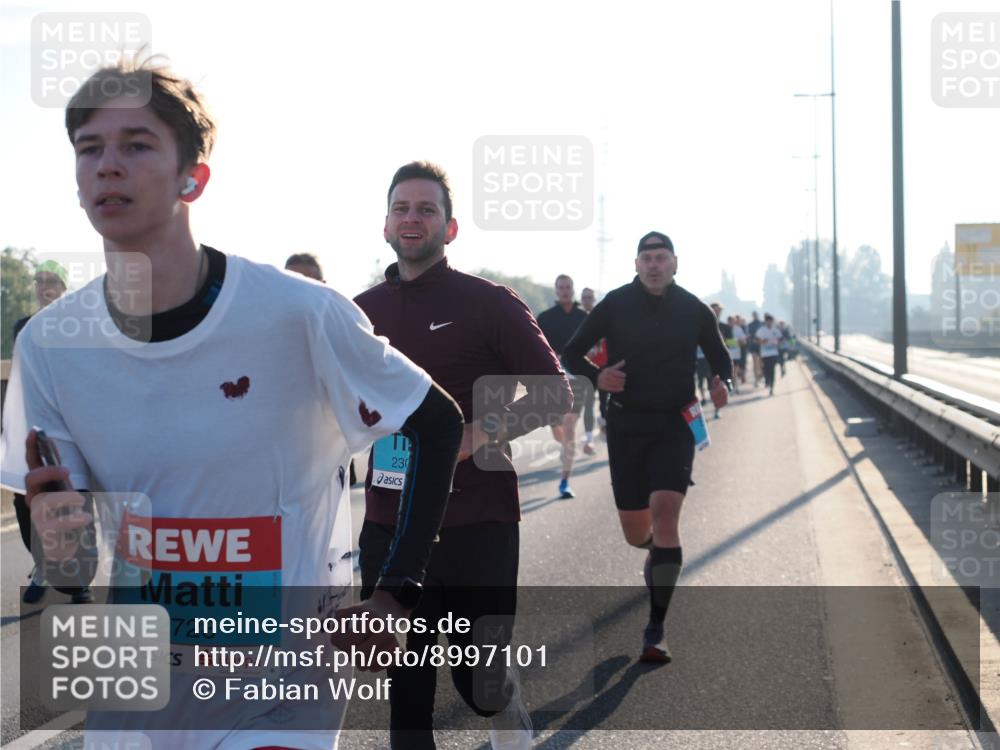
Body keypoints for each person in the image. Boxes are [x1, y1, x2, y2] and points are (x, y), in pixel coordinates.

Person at [0, 58, 464, 750]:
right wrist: (54, 530)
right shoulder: (48, 345)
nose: (107, 166)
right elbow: (67, 557)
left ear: (195, 177)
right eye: (89, 149)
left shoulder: (299, 313)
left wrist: (397, 592)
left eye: (136, 145)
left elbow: (437, 420)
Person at [354, 161, 571, 750]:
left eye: (426, 209)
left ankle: (503, 701)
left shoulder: (489, 303)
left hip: (481, 521)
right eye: (402, 208)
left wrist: (471, 437)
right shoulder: (357, 314)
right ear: (385, 225)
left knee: (481, 684)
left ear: (450, 229)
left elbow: (555, 392)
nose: (412, 218)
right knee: (407, 693)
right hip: (390, 525)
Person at [563, 231, 731, 664]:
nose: (654, 265)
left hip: (675, 423)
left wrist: (720, 382)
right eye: (647, 258)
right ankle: (656, 552)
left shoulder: (693, 309)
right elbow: (570, 352)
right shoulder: (615, 304)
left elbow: (720, 356)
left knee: (667, 517)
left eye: (661, 258)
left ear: (675, 263)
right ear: (636, 265)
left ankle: (655, 629)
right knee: (637, 532)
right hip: (626, 424)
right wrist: (597, 377)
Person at [10, 260, 92, 605]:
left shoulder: (80, 327)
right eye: (38, 282)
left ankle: (80, 583)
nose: (43, 288)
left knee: (74, 499)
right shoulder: (22, 327)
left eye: (51, 281)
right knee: (24, 500)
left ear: (62, 287)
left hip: (75, 426)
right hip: (32, 428)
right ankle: (42, 566)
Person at [536, 275, 590, 498]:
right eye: (561, 287)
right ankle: (564, 445)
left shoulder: (584, 317)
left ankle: (565, 481)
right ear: (556, 291)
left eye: (568, 287)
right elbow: (533, 347)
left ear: (573, 289)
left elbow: (596, 345)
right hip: (552, 381)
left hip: (577, 381)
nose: (565, 291)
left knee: (568, 429)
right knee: (559, 431)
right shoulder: (545, 318)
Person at [578, 287, 603, 450]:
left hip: (601, 367)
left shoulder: (599, 317)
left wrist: (594, 350)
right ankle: (587, 439)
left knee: (597, 403)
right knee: (585, 403)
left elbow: (601, 343)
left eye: (590, 298)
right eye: (584, 297)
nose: (587, 300)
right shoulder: (576, 318)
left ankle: (601, 424)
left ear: (594, 299)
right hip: (580, 368)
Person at [755, 313, 783, 395]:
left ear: (772, 322)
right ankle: (767, 380)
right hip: (765, 353)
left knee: (772, 369)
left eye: (771, 321)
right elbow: (756, 340)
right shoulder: (761, 330)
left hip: (774, 353)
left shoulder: (775, 330)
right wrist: (762, 341)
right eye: (768, 321)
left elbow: (781, 339)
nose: (769, 323)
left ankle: (772, 386)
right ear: (765, 322)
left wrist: (777, 342)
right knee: (766, 369)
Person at [747, 311, 763, 387]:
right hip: (753, 345)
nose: (755, 316)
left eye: (756, 315)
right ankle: (756, 379)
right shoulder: (750, 325)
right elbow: (749, 335)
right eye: (754, 315)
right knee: (755, 363)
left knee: (761, 363)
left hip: (761, 345)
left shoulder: (762, 324)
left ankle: (760, 375)